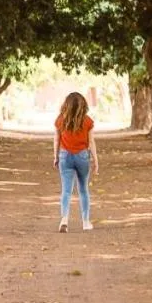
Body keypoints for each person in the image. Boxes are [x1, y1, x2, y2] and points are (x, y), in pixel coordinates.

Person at [53, 91, 98, 232]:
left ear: (66, 105)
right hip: (82, 156)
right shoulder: (87, 121)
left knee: (66, 190)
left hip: (65, 156)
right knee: (83, 189)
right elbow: (91, 141)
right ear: (82, 105)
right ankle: (85, 222)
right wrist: (96, 159)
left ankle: (64, 220)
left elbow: (56, 140)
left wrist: (56, 157)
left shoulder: (60, 120)